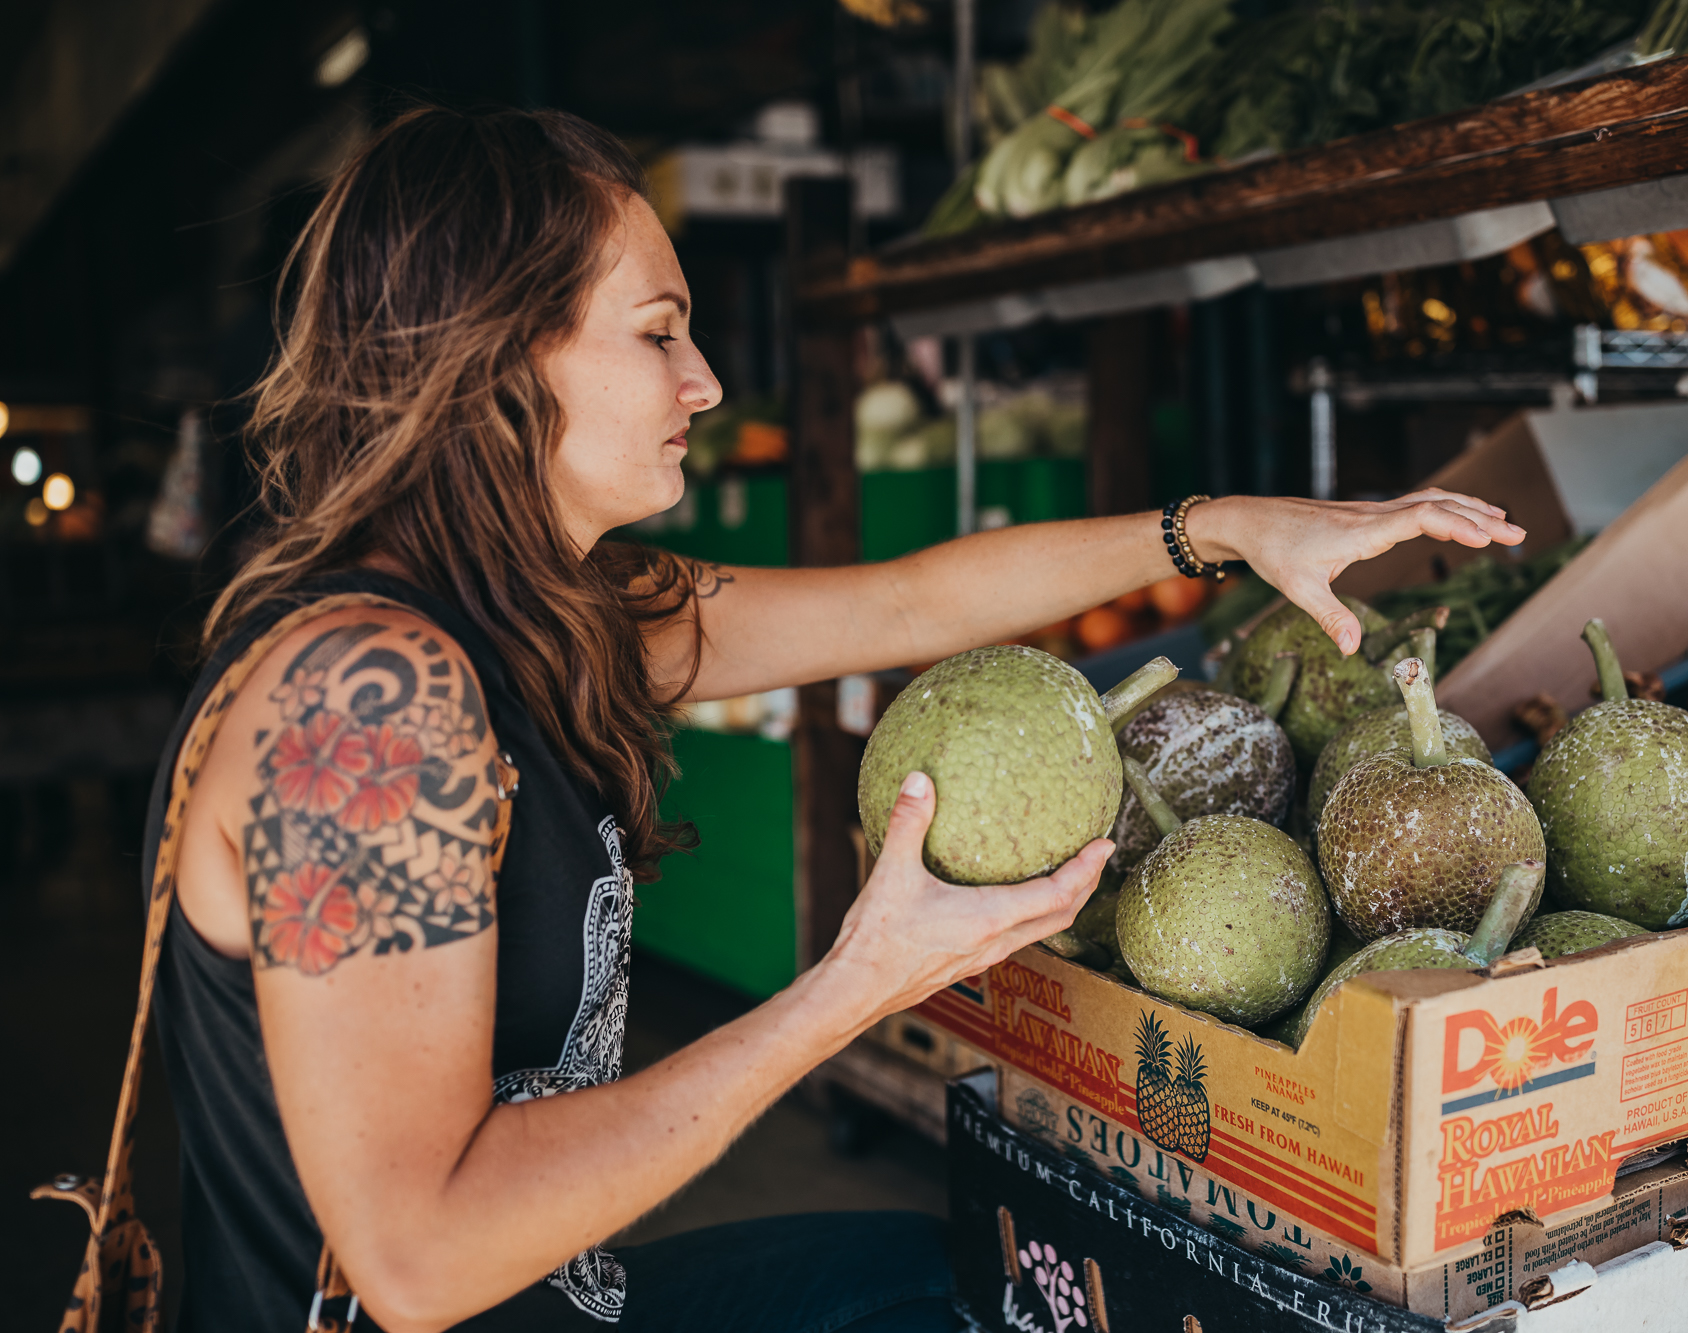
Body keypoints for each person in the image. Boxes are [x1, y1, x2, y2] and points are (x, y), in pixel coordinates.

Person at [150, 105, 1524, 1333]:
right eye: (656, 333)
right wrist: (853, 986)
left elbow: (912, 602)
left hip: (576, 1300)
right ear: (496, 358)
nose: (705, 383)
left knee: (971, 1278)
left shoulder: (549, 611)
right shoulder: (368, 701)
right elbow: (418, 1260)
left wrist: (1219, 525)